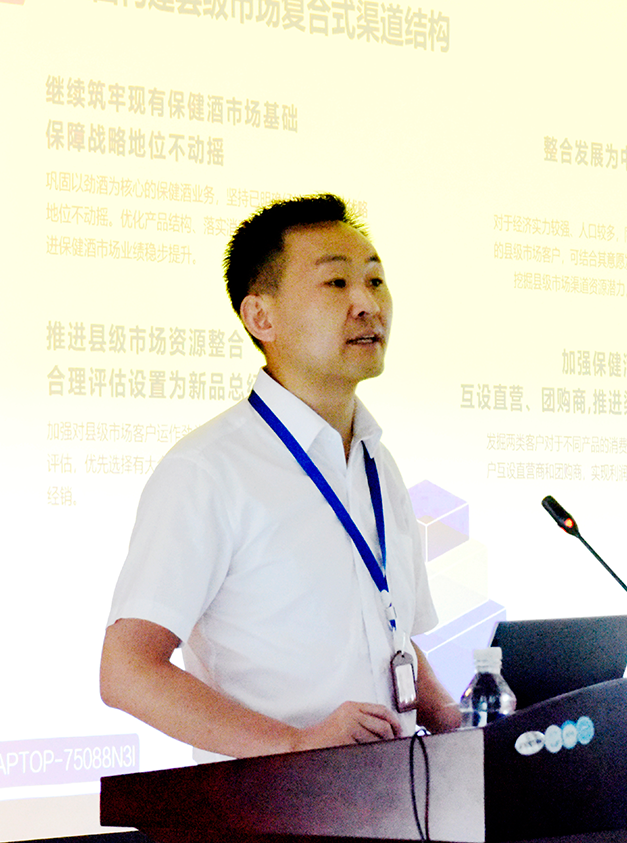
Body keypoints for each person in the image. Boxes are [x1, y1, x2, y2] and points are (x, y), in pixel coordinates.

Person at [99, 194, 460, 762]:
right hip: (274, 803)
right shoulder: (209, 469)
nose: (368, 304)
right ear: (260, 317)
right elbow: (127, 671)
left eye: (375, 280)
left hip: (397, 792)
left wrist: (466, 729)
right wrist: (296, 745)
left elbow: (393, 640)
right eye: (336, 283)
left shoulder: (375, 460)